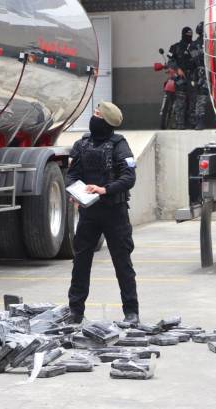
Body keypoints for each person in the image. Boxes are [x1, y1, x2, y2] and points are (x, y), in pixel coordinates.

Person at [66, 102, 139, 325]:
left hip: (114, 212)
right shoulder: (82, 144)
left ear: (105, 121)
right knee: (80, 262)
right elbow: (72, 174)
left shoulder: (119, 145)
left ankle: (131, 312)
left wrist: (104, 190)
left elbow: (129, 178)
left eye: (97, 115)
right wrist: (75, 192)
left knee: (122, 262)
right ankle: (75, 311)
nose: (93, 117)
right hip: (89, 212)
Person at [169, 26, 195, 129]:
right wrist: (177, 69)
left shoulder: (195, 46)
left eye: (190, 35)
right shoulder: (175, 47)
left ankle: (193, 123)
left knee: (193, 100)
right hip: (181, 77)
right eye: (187, 35)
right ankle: (180, 123)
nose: (189, 37)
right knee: (180, 101)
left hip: (193, 76)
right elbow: (170, 60)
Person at [189, 22, 210, 130]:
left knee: (200, 99)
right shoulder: (212, 42)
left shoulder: (193, 45)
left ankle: (199, 122)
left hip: (201, 74)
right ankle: (199, 122)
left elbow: (193, 62)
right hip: (210, 73)